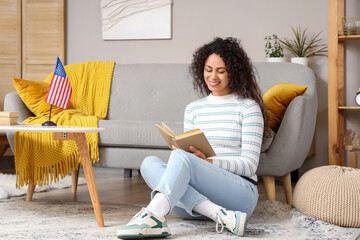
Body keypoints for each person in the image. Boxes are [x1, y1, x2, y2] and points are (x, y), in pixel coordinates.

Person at [116, 37, 270, 239]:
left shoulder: (248, 108)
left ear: (234, 72)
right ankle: (219, 215)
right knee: (148, 163)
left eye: (221, 71)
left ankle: (153, 216)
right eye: (208, 69)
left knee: (181, 158)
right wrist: (185, 155)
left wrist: (208, 162)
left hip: (239, 198)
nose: (213, 76)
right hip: (192, 206)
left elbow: (249, 166)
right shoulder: (194, 109)